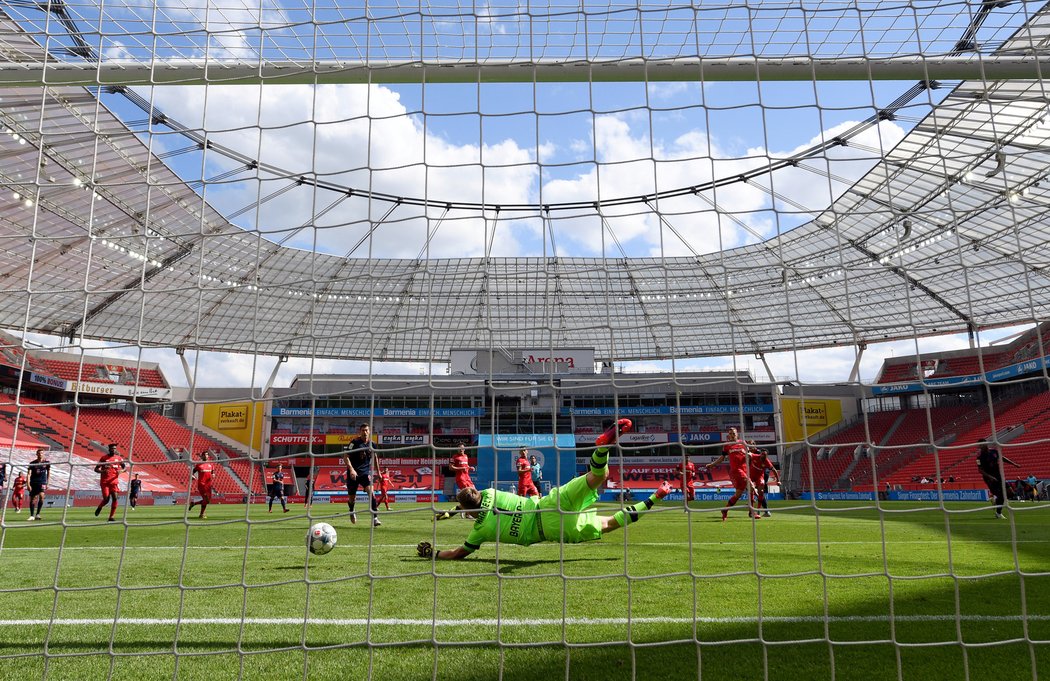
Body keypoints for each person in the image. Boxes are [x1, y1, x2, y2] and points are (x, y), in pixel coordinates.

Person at [419, 418, 671, 560]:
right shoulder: (490, 493)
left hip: (551, 528)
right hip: (550, 501)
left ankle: (654, 497)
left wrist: (434, 553)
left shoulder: (480, 530)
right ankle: (602, 448)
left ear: (469, 512)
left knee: (609, 524)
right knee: (600, 475)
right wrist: (453, 511)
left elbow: (458, 553)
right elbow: (473, 500)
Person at [706, 427, 756, 521]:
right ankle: (752, 512)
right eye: (730, 433)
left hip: (745, 470)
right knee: (751, 487)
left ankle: (725, 510)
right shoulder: (727, 445)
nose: (732, 435)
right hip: (736, 471)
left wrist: (749, 455)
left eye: (733, 433)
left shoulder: (743, 443)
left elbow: (749, 456)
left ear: (737, 434)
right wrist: (712, 464)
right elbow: (722, 458)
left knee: (738, 495)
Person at [342, 423, 381, 527]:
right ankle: (351, 510)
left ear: (369, 432)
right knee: (352, 498)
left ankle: (375, 518)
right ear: (360, 432)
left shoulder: (372, 444)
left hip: (364, 473)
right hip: (353, 473)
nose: (365, 432)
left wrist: (379, 473)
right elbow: (346, 457)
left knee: (371, 492)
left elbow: (375, 458)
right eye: (363, 430)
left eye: (366, 430)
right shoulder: (354, 443)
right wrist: (351, 470)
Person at [977, 441, 1021, 519]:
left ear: (985, 444)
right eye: (979, 445)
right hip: (989, 479)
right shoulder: (980, 457)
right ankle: (998, 513)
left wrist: (1014, 464)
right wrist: (990, 477)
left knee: (1011, 493)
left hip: (998, 476)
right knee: (1001, 496)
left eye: (981, 445)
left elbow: (1002, 457)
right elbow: (980, 470)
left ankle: (995, 499)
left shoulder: (993, 451)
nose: (980, 447)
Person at [94, 444, 127, 522]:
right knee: (106, 499)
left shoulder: (119, 458)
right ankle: (100, 506)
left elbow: (125, 468)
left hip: (114, 481)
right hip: (105, 482)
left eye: (114, 448)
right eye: (112, 448)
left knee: (115, 498)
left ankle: (111, 517)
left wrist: (121, 471)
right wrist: (103, 471)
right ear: (109, 449)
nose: (113, 450)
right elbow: (96, 469)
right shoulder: (104, 458)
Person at [749, 448, 780, 518]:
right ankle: (751, 511)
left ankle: (758, 511)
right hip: (750, 476)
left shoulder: (767, 462)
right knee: (751, 490)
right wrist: (748, 453)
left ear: (767, 455)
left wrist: (778, 480)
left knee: (761, 491)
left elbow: (774, 470)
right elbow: (749, 455)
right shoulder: (755, 456)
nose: (763, 456)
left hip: (759, 477)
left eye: (764, 455)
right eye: (762, 454)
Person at [188, 450, 215, 519]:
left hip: (208, 485)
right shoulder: (198, 465)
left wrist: (213, 474)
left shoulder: (211, 465)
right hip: (201, 485)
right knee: (206, 499)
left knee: (207, 501)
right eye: (205, 455)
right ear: (202, 456)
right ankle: (201, 514)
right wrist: (192, 476)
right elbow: (192, 472)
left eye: (207, 455)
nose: (206, 456)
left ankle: (194, 504)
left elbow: (213, 472)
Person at [27, 448, 51, 521]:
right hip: (33, 482)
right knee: (33, 499)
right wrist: (28, 484)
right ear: (36, 454)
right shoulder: (32, 463)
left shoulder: (47, 462)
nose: (40, 454)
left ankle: (38, 514)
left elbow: (49, 472)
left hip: (42, 482)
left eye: (41, 453)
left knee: (41, 496)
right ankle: (32, 515)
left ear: (43, 454)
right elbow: (28, 474)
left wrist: (48, 483)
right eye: (39, 453)